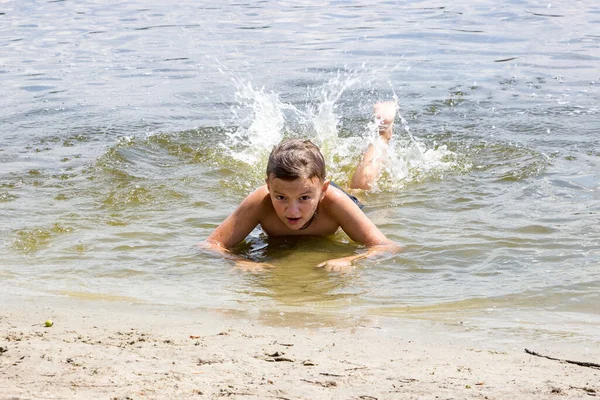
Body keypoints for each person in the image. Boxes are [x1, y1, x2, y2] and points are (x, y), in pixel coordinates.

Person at [204, 101, 401, 271]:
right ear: (269, 187)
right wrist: (239, 261)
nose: (292, 210)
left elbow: (386, 247)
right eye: (281, 197)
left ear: (323, 190)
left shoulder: (334, 201)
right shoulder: (260, 201)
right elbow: (210, 245)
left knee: (362, 185)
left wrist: (350, 260)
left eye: (304, 198)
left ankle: (383, 133)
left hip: (336, 199)